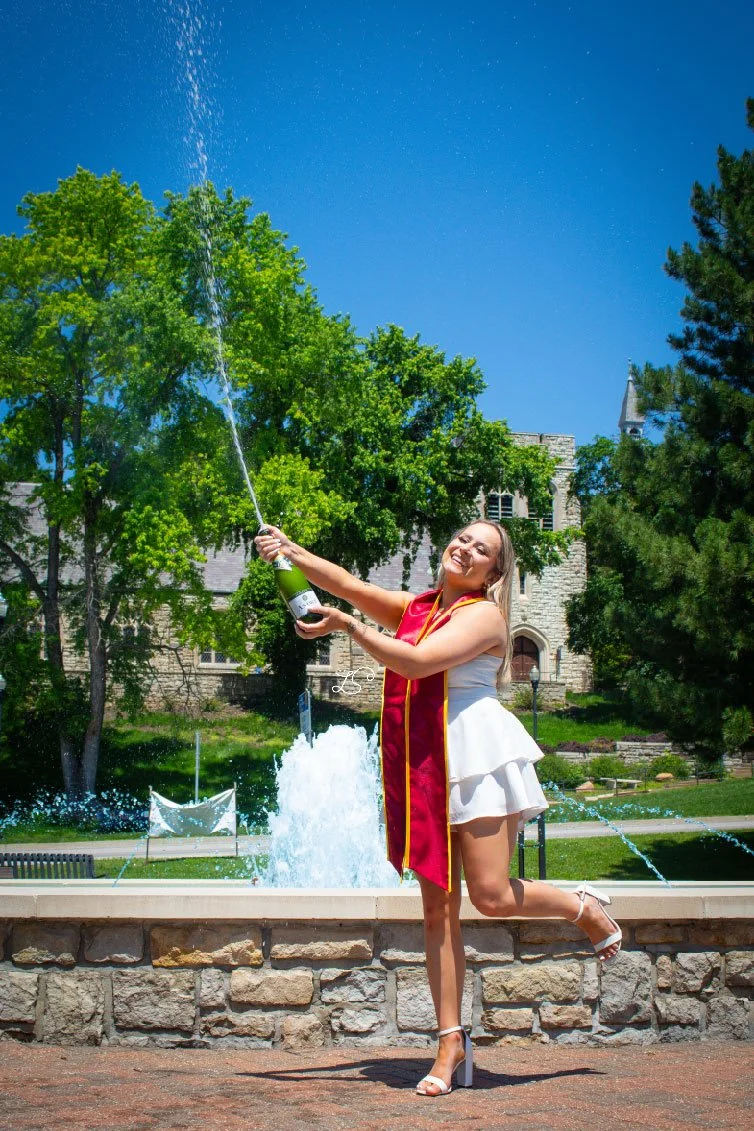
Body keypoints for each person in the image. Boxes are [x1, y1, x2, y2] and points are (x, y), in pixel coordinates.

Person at [255, 520, 622, 1097]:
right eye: (463, 539)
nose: (466, 549)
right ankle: (450, 1042)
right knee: (436, 911)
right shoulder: (420, 607)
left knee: (491, 896)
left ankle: (582, 907)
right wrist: (289, 550)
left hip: (476, 753)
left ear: (494, 572)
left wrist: (348, 626)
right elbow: (349, 584)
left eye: (483, 549)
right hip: (425, 758)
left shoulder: (485, 616)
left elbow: (416, 663)